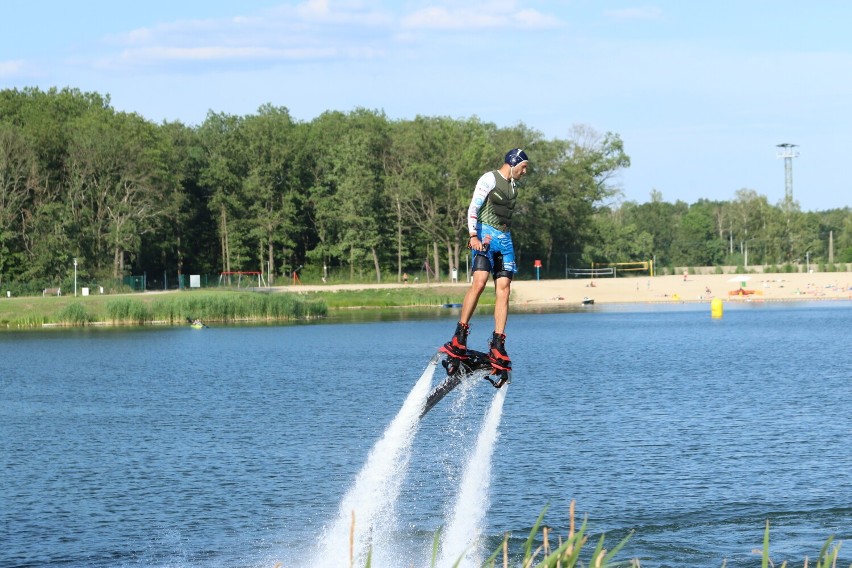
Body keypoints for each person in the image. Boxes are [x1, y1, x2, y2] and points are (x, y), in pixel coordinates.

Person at [439, 148, 530, 371]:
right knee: (479, 283)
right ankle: (460, 335)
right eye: (523, 167)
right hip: (485, 237)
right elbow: (474, 207)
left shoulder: (513, 186)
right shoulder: (489, 178)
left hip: (505, 240)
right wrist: (473, 235)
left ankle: (498, 343)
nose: (525, 172)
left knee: (505, 288)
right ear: (513, 162)